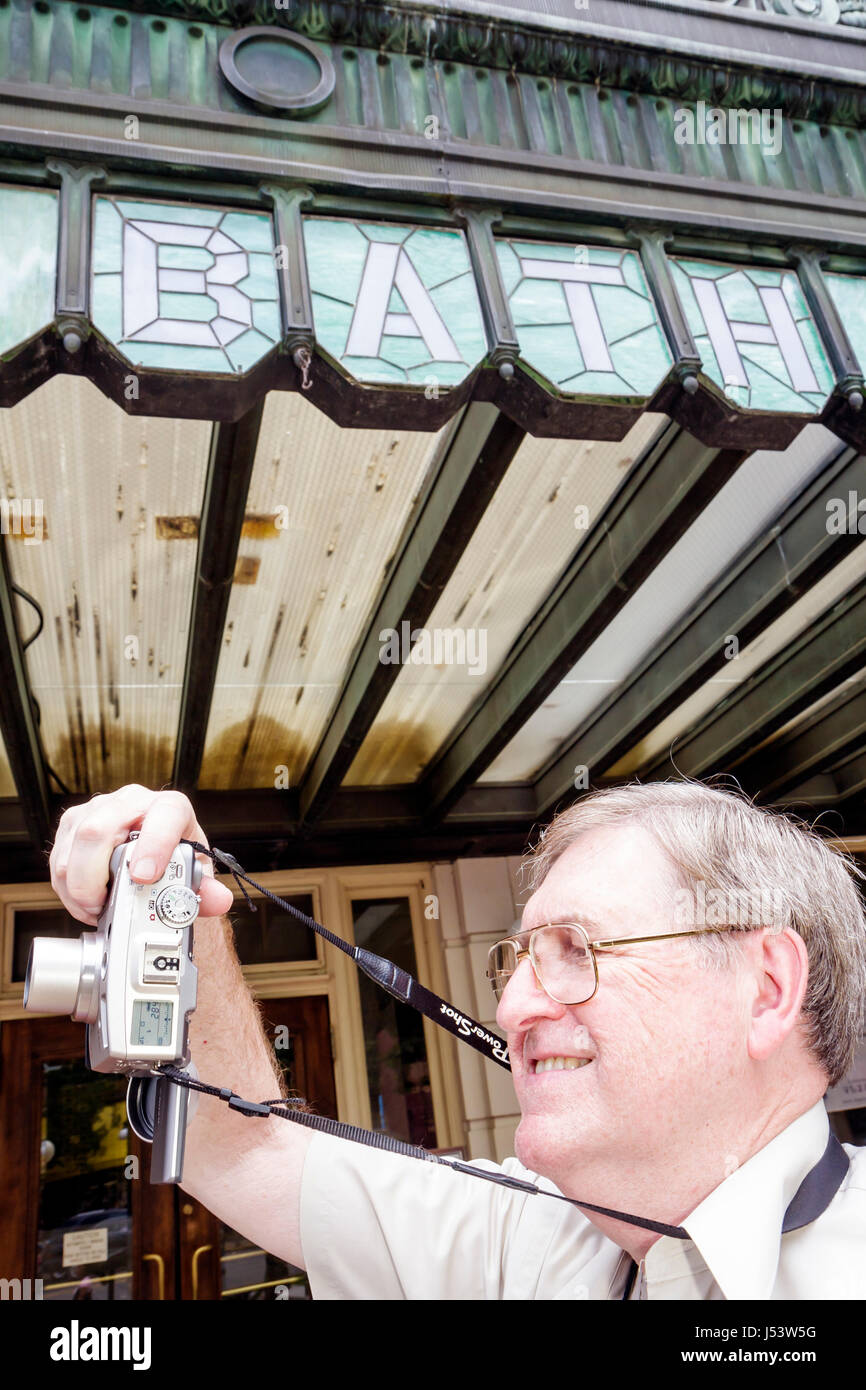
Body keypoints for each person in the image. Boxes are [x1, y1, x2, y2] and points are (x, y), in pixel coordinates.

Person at [49, 780, 866, 1299]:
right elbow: (247, 1148)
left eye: (577, 949)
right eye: (515, 964)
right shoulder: (527, 1237)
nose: (512, 1007)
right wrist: (180, 910)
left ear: (764, 990)